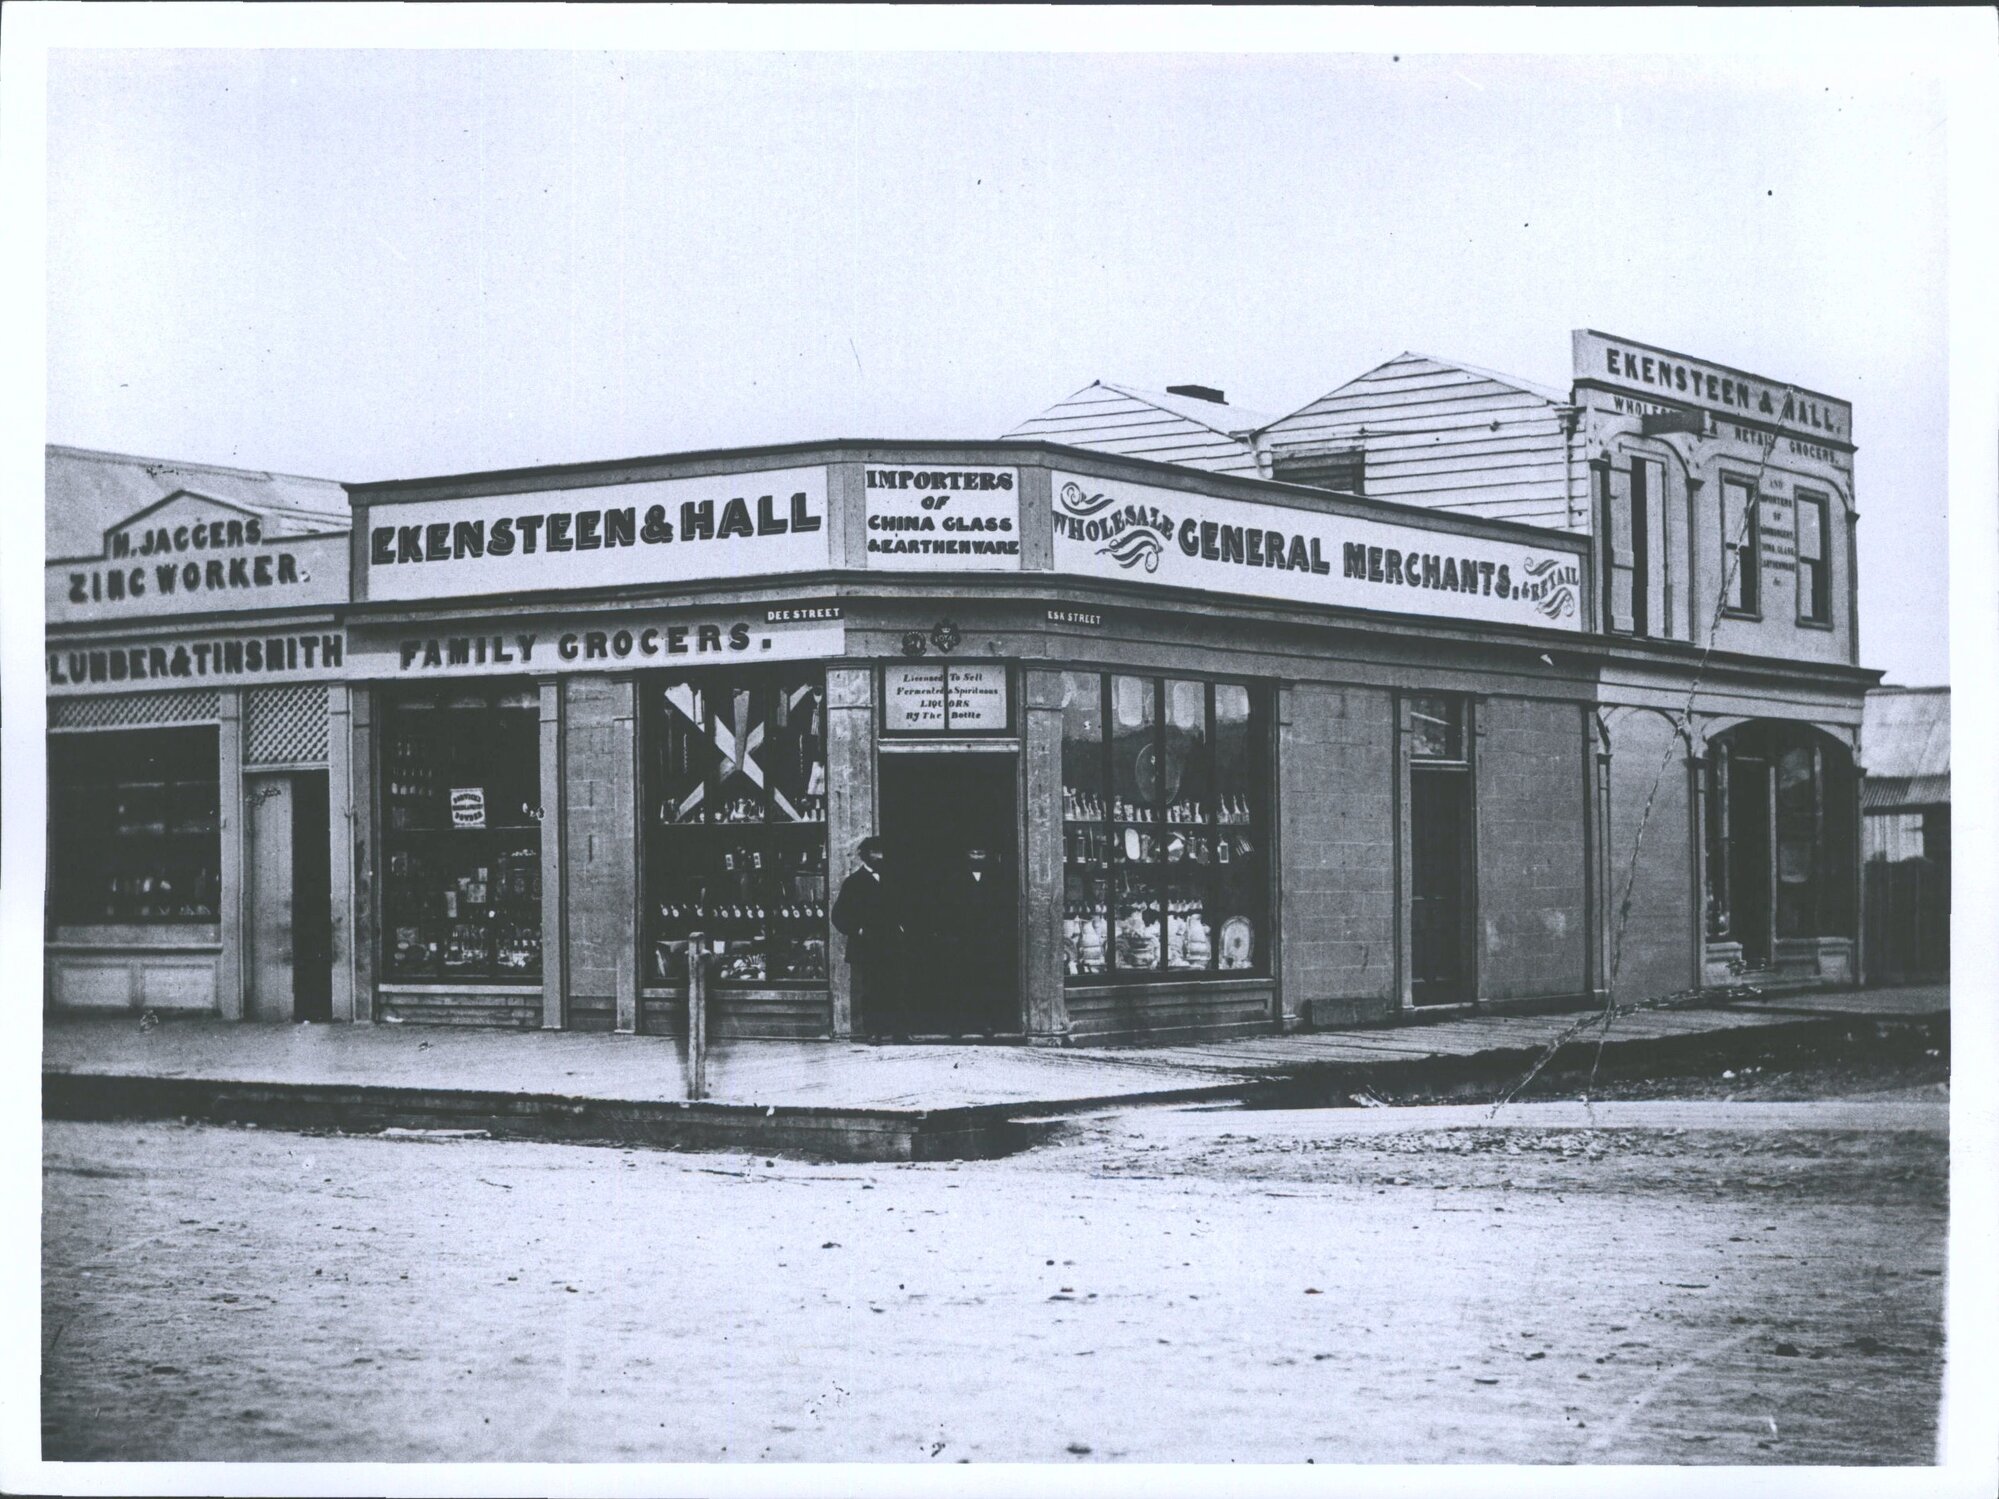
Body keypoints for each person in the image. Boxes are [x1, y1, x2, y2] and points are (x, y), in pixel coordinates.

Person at [831, 836, 907, 1040]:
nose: (879, 856)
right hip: (867, 945)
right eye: (875, 852)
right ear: (865, 855)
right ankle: (873, 1031)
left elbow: (905, 909)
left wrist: (902, 928)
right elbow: (838, 915)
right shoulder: (854, 882)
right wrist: (857, 930)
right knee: (871, 990)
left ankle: (899, 1032)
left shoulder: (893, 879)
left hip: (892, 943)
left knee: (896, 987)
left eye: (882, 852)